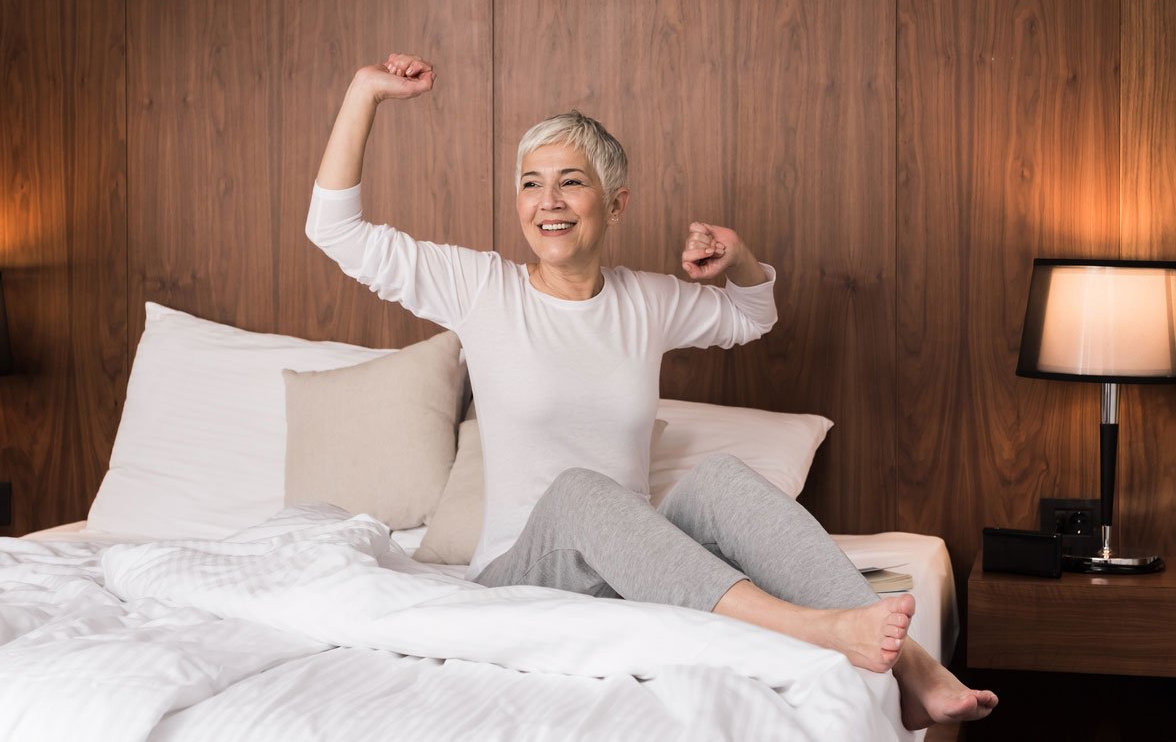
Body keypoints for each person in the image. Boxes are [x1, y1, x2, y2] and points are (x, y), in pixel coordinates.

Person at [308, 51, 997, 730]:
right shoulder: (482, 289)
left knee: (723, 478)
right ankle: (816, 627)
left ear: (615, 202)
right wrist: (365, 93)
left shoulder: (645, 301)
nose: (547, 201)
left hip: (630, 566)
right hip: (522, 573)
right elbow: (334, 228)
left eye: (569, 182)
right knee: (579, 490)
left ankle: (909, 664)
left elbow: (754, 314)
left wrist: (741, 259)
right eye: (530, 183)